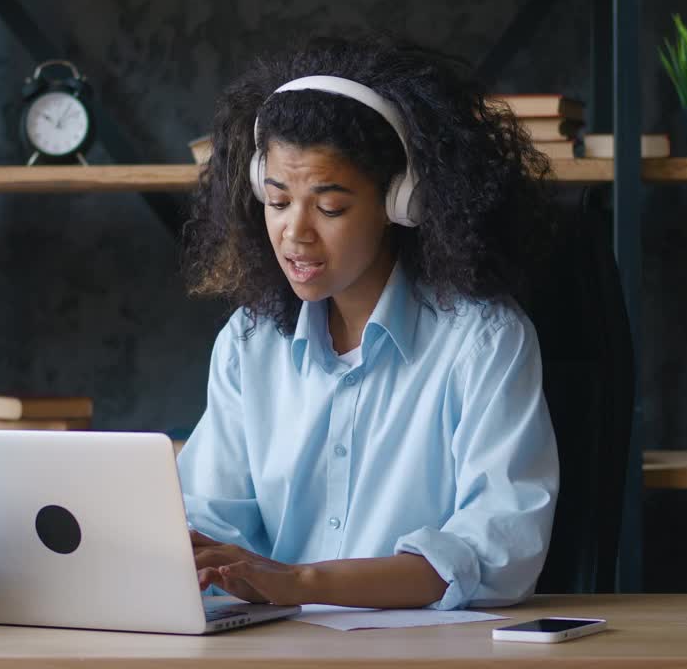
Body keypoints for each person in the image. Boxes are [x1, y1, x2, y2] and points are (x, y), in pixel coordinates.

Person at [177, 35, 559, 610]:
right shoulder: (248, 343)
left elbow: (497, 549)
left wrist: (301, 584)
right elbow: (210, 513)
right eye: (278, 202)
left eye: (329, 207)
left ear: (399, 202)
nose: (295, 232)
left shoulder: (482, 343)